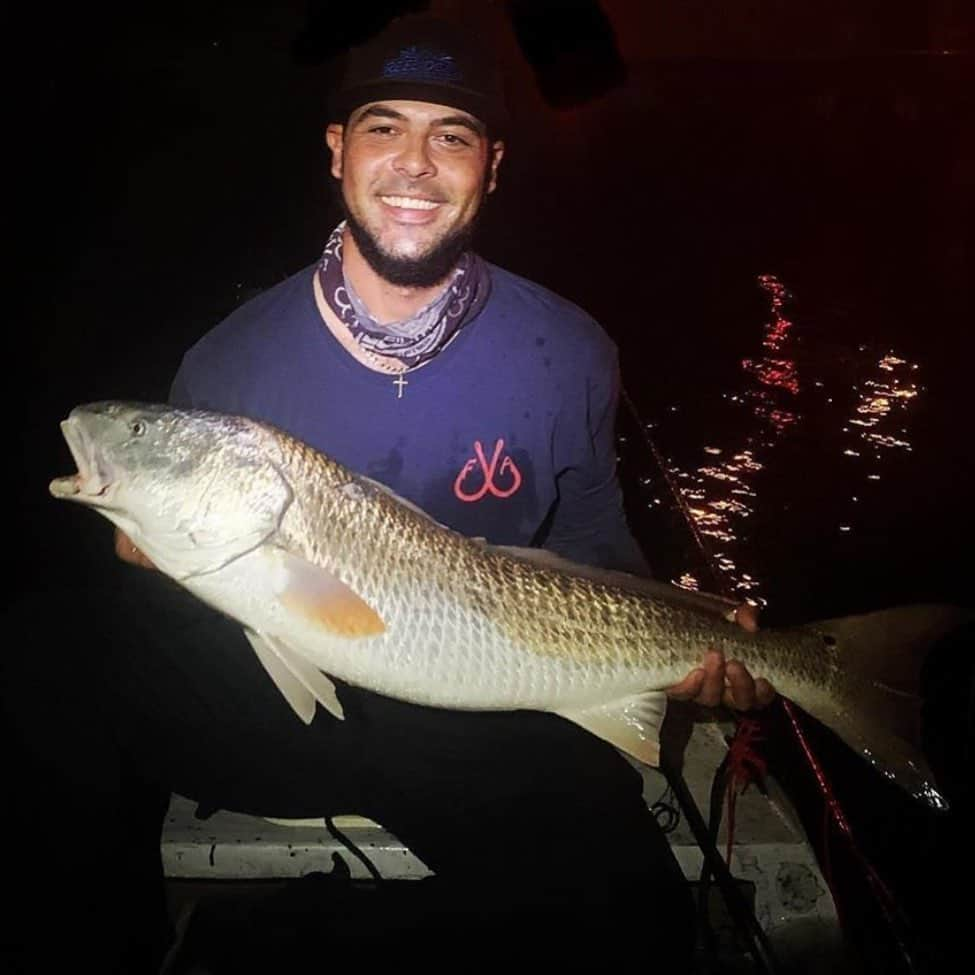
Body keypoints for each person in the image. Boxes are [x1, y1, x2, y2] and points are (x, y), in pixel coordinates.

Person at [3, 15, 772, 973]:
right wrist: (150, 556)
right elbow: (202, 577)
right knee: (42, 654)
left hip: (483, 694)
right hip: (274, 699)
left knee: (633, 925)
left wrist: (689, 634)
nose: (414, 163)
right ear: (336, 152)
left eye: (450, 136)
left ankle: (257, 949)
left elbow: (591, 539)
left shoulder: (568, 348)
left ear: (491, 165)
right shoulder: (231, 359)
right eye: (383, 127)